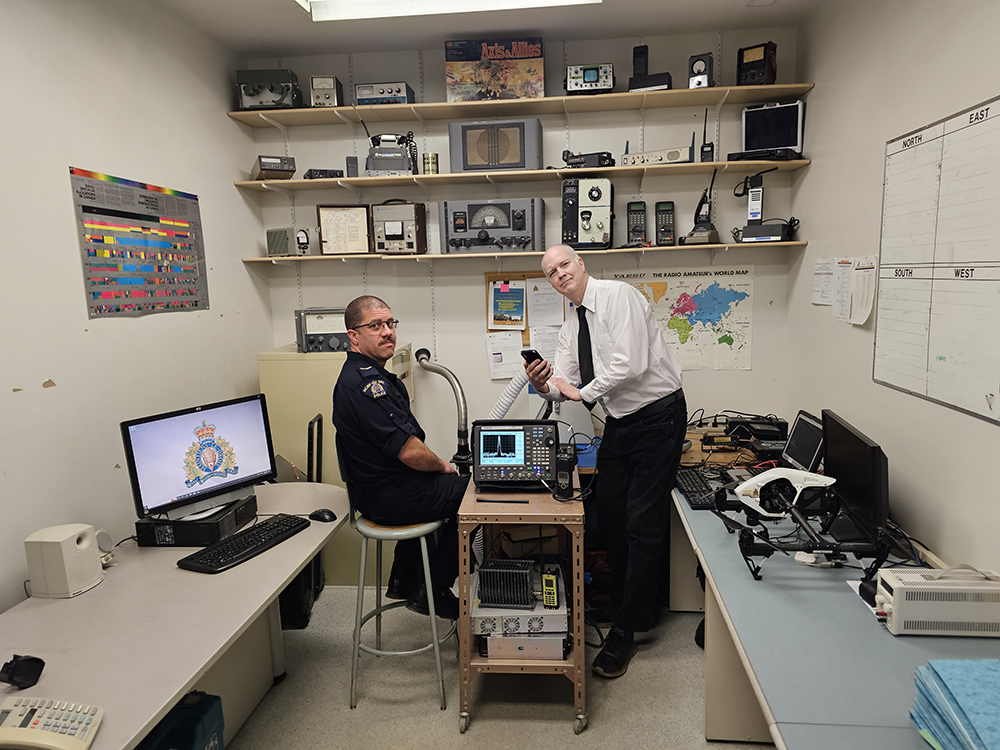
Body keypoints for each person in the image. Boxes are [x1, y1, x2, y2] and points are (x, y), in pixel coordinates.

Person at [525, 244, 687, 678]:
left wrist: (582, 393)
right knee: (610, 514)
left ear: (580, 264)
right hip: (620, 423)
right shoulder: (570, 326)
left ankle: (628, 628)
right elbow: (563, 384)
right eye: (551, 272)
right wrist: (543, 385)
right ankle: (621, 602)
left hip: (658, 417)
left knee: (642, 521)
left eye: (564, 264)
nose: (559, 274)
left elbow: (630, 364)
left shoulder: (618, 296)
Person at [333, 295, 469, 620]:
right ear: (354, 336)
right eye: (375, 326)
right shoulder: (366, 386)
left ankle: (404, 580)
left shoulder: (371, 374)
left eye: (390, 323)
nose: (387, 332)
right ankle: (432, 591)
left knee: (447, 487)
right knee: (474, 497)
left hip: (384, 489)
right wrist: (442, 465)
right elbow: (408, 451)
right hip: (388, 497)